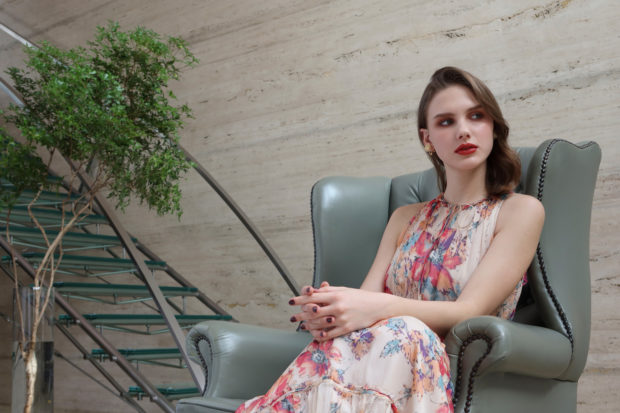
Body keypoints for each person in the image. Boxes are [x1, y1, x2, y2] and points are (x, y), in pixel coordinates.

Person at [236, 67, 545, 413]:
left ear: (494, 126)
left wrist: (377, 307)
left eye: (476, 116)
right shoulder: (404, 218)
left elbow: (469, 311)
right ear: (427, 139)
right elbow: (364, 303)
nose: (463, 130)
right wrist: (330, 310)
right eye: (446, 122)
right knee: (350, 341)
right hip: (374, 360)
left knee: (409, 331)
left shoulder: (520, 211)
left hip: (439, 363)